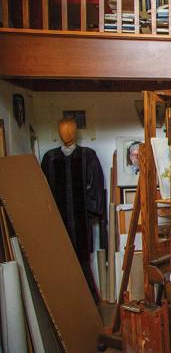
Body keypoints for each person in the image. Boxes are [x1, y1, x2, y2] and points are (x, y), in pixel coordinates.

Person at [41, 118, 105, 303]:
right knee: (60, 261)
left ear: (75, 131)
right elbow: (43, 191)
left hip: (80, 221)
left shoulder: (87, 156)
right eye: (62, 129)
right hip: (57, 221)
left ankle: (89, 302)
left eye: (69, 129)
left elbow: (96, 186)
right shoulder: (50, 158)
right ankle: (64, 303)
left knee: (82, 262)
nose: (65, 133)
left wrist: (91, 212)